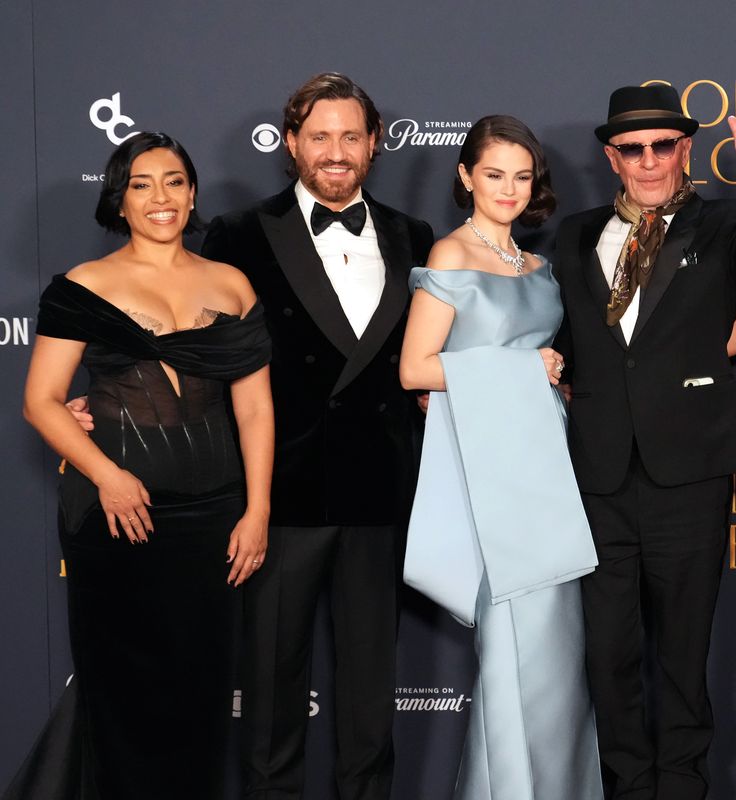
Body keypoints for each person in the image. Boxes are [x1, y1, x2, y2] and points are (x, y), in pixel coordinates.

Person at [553, 83, 736, 799]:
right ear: (612, 156)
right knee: (608, 655)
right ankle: (627, 787)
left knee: (683, 657)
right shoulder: (574, 234)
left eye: (664, 145)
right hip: (598, 474)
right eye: (634, 149)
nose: (651, 161)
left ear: (685, 148)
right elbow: (565, 333)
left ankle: (683, 788)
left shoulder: (725, 226)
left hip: (688, 475)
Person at [10, 131, 272, 800]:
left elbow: (254, 412)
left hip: (214, 519)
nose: (162, 197)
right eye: (142, 184)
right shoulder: (82, 286)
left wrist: (258, 510)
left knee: (202, 696)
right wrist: (108, 476)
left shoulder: (232, 285)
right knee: (125, 696)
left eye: (175, 181)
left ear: (192, 194)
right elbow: (41, 403)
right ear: (119, 201)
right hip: (117, 519)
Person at [200, 73, 434, 799]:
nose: (336, 152)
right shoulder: (238, 235)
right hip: (278, 499)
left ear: (375, 144)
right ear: (292, 143)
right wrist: (110, 408)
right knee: (270, 695)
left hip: (378, 495)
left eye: (351, 137)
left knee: (370, 698)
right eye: (321, 136)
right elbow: (200, 358)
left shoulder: (412, 235)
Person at [399, 115, 603, 800]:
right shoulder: (450, 255)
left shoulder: (540, 268)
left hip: (545, 463)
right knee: (514, 647)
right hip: (490, 473)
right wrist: (522, 370)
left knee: (555, 653)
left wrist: (551, 381)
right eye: (494, 175)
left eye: (521, 176)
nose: (509, 189)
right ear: (465, 177)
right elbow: (416, 369)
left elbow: (543, 367)